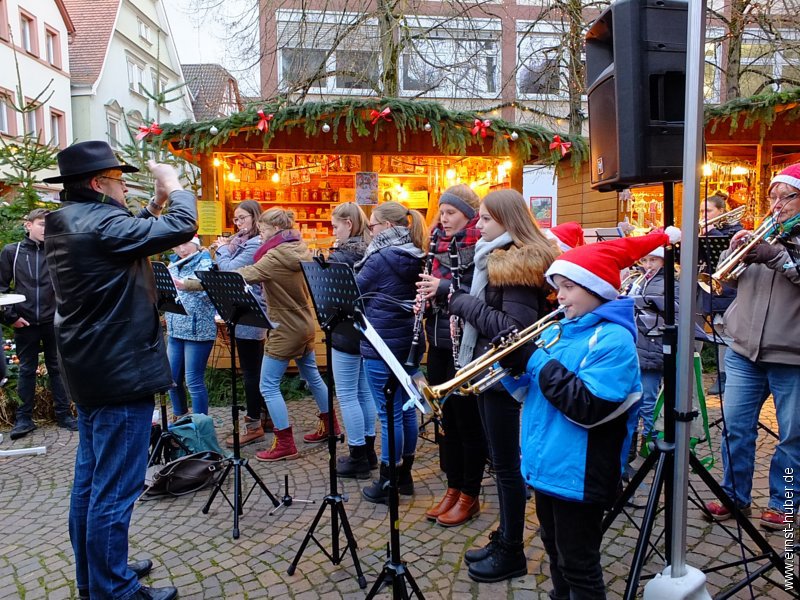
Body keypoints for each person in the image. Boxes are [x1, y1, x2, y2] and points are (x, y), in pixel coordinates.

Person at [42, 140, 197, 600]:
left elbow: (127, 233)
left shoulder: (66, 219)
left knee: (90, 484)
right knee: (116, 488)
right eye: (118, 180)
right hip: (119, 371)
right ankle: (115, 589)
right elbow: (181, 226)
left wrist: (150, 203)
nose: (124, 186)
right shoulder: (101, 223)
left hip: (90, 369)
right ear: (97, 183)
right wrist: (174, 186)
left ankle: (96, 576)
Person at [500, 229, 678, 598]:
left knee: (579, 564)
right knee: (555, 551)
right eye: (557, 287)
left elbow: (588, 408)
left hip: (579, 474)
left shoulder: (614, 340)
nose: (558, 296)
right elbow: (529, 394)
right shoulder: (560, 330)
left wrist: (533, 359)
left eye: (567, 287)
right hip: (546, 465)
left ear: (596, 288)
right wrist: (510, 367)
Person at [448, 189, 559, 582]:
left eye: (486, 219)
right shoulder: (492, 257)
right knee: (502, 463)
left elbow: (513, 333)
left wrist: (457, 301)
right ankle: (506, 537)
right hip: (486, 372)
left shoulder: (516, 264)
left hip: (505, 379)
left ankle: (513, 549)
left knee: (508, 468)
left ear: (508, 222)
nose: (478, 225)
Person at [705, 163, 800, 531]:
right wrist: (738, 256)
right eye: (772, 197)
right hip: (745, 348)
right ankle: (734, 495)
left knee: (793, 436)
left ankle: (783, 502)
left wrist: (774, 256)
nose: (775, 204)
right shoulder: (767, 232)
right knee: (735, 428)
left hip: (791, 354)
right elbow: (733, 285)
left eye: (785, 197)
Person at [225, 208, 331, 461]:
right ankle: (331, 426)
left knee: (268, 385)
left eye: (262, 230)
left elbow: (243, 275)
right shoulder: (298, 247)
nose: (260, 235)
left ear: (275, 230)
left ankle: (285, 443)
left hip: (284, 328)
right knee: (313, 377)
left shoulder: (274, 257)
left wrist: (196, 282)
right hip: (304, 324)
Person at [416, 186, 485, 527]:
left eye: (451, 213)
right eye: (441, 212)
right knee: (447, 423)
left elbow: (479, 297)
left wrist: (442, 290)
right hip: (440, 343)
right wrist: (425, 301)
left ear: (468, 215)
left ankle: (470, 494)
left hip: (468, 346)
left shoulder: (481, 247)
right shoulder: (435, 246)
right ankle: (453, 487)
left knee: (468, 423)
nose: (443, 219)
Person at [357, 201, 427, 504]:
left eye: (372, 225)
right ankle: (405, 477)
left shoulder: (381, 257)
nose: (370, 231)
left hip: (381, 340)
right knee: (407, 409)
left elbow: (353, 291)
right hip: (408, 340)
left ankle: (389, 482)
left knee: (389, 415)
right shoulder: (416, 252)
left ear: (386, 226)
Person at [0, 208, 76, 439]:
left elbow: (70, 286)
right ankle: (23, 419)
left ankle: (64, 415)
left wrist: (64, 315)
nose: (46, 230)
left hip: (54, 321)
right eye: (42, 224)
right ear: (28, 225)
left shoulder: (58, 252)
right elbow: (1, 288)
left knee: (57, 368)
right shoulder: (12, 253)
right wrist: (11, 318)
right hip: (25, 322)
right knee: (26, 370)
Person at [212, 200, 271, 447]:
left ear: (255, 218)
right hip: (240, 309)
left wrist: (223, 249)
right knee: (254, 367)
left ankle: (253, 423)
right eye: (236, 219)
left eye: (243, 218)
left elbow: (230, 270)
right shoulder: (242, 242)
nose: (239, 224)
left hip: (250, 311)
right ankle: (265, 418)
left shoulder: (255, 244)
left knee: (250, 371)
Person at [327, 202, 376, 478]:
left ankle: (357, 454)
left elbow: (333, 299)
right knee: (364, 393)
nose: (334, 231)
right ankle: (369, 453)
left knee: (347, 395)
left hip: (345, 330)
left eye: (335, 226)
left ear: (348, 223)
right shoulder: (372, 250)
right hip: (367, 330)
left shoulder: (341, 256)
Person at [166, 237, 216, 418]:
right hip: (175, 329)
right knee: (171, 379)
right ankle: (180, 419)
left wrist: (185, 285)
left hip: (198, 330)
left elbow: (207, 291)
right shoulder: (173, 263)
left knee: (193, 381)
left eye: (186, 243)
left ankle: (200, 427)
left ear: (196, 243)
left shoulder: (205, 262)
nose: (182, 249)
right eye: (177, 245)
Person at [698, 192, 742, 395]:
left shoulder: (735, 232)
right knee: (715, 332)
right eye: (701, 211)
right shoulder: (703, 232)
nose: (703, 215)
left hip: (727, 291)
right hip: (707, 290)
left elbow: (728, 260)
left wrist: (712, 233)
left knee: (725, 333)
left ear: (721, 212)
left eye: (708, 211)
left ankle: (725, 376)